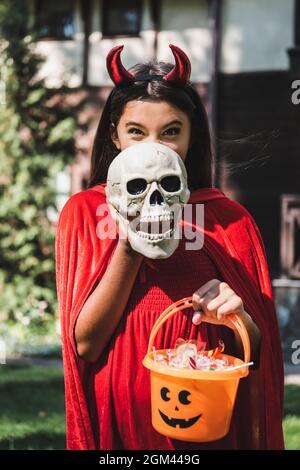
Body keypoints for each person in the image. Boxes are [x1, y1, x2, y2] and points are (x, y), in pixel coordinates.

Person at [55, 44, 284, 450]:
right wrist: (129, 243)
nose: (154, 146)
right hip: (121, 420)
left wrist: (238, 315)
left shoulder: (227, 220)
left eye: (171, 131)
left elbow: (259, 350)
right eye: (136, 131)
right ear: (114, 133)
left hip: (206, 419)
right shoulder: (86, 212)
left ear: (192, 136)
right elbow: (85, 345)